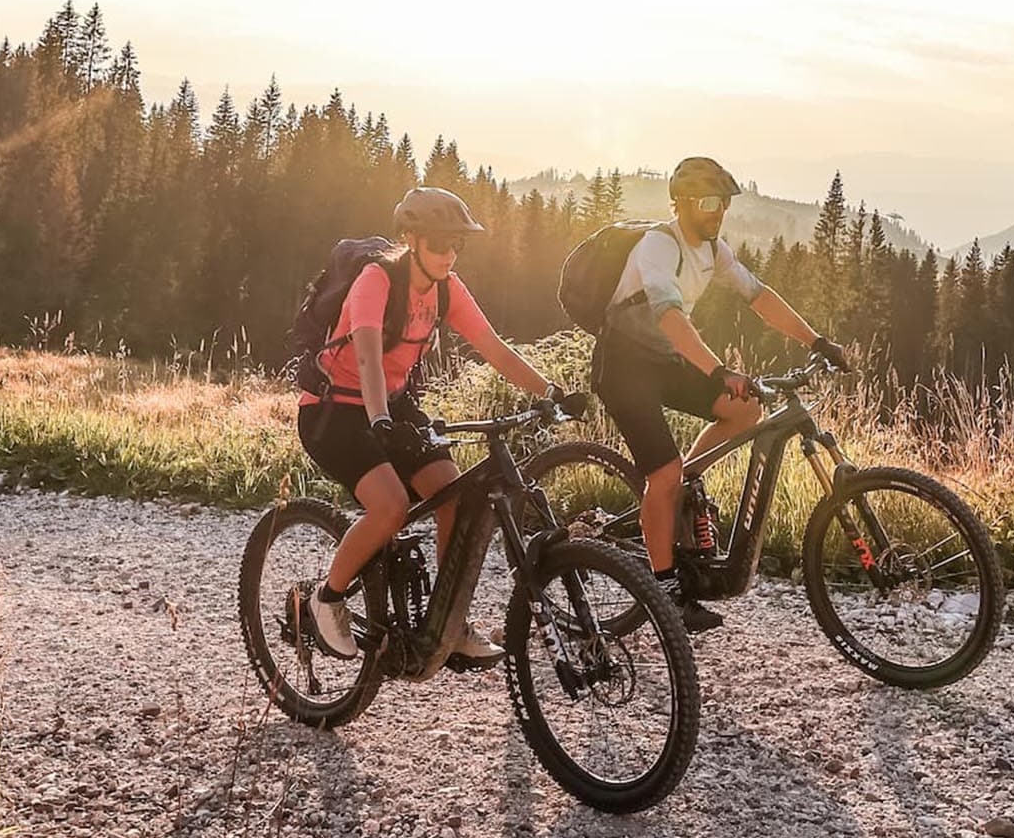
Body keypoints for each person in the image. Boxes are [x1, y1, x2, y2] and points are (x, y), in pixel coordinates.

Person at [299, 186, 565, 667]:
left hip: (392, 408)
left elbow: (495, 348)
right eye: (440, 243)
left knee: (455, 500)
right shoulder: (376, 280)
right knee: (391, 507)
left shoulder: (447, 288)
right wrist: (379, 418)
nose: (449, 254)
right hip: (333, 410)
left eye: (456, 244)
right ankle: (327, 598)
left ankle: (449, 623)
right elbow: (367, 357)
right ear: (411, 239)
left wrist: (551, 393)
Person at [593, 156, 848, 632]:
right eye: (710, 203)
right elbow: (670, 317)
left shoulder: (713, 250)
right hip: (625, 366)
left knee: (744, 409)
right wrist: (718, 370)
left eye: (725, 203)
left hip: (664, 360)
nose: (719, 212)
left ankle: (680, 490)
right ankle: (666, 591)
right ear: (683, 203)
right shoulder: (658, 246)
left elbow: (760, 297)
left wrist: (817, 342)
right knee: (662, 473)